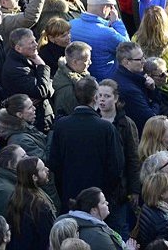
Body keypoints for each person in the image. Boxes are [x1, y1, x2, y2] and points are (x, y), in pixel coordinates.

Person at [48, 77, 124, 211]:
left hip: (70, 195)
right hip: (98, 198)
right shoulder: (106, 128)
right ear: (95, 97)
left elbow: (54, 162)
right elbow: (116, 166)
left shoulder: (62, 125)